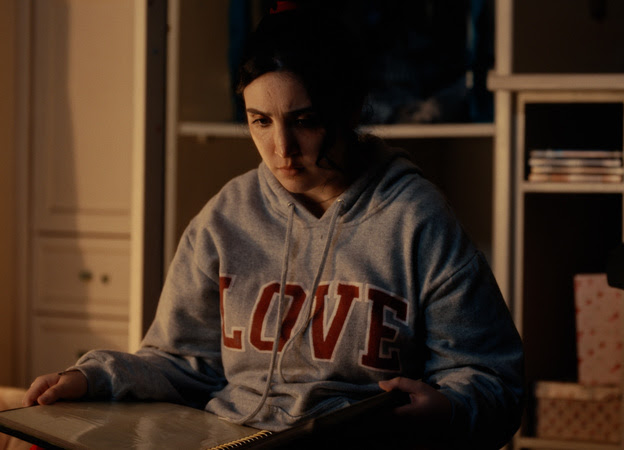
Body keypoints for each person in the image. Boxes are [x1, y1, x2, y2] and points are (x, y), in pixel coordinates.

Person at [24, 2, 524, 448]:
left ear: (349, 108)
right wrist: (94, 377)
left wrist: (450, 410)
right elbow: (184, 363)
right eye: (260, 121)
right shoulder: (225, 217)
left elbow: (492, 380)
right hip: (227, 439)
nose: (281, 149)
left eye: (304, 120)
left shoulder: (417, 221)